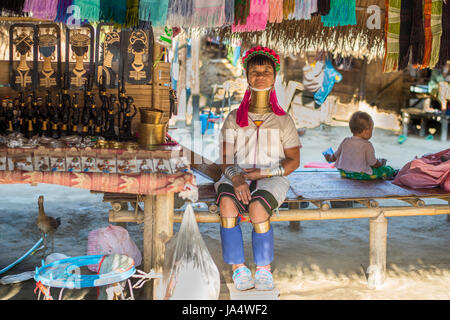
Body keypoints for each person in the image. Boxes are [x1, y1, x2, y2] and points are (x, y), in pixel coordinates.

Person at [215, 46, 301, 291]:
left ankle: (263, 269)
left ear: (275, 76)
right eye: (254, 71)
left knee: (257, 208)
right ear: (246, 76)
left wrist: (263, 174)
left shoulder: (284, 120)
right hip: (234, 174)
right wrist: (238, 179)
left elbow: (293, 161)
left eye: (266, 71)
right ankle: (238, 268)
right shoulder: (233, 117)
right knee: (227, 205)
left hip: (272, 177)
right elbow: (224, 158)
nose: (260, 76)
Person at [324, 111, 396, 180]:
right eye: (371, 129)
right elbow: (372, 163)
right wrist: (380, 164)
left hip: (344, 173)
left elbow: (334, 156)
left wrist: (329, 158)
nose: (371, 132)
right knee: (386, 169)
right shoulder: (367, 145)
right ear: (366, 130)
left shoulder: (345, 141)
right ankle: (394, 173)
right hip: (360, 174)